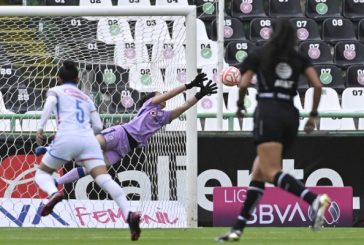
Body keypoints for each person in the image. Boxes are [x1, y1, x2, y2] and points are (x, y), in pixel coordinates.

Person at [217, 18, 330, 242]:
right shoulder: (299, 58)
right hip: (291, 115)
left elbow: (242, 83)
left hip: (268, 113)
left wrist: (239, 105)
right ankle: (237, 229)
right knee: (259, 172)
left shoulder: (260, 54)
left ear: (273, 33)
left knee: (269, 171)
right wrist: (313, 115)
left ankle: (314, 200)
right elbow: (317, 85)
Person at [35, 73, 217, 188]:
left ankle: (56, 182)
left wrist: (200, 95)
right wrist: (189, 85)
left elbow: (185, 105)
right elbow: (170, 94)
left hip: (124, 149)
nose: (163, 96)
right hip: (121, 133)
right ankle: (51, 150)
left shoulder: (164, 117)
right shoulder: (148, 105)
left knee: (92, 169)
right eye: (159, 93)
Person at [34, 61, 141, 241]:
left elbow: (50, 103)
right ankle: (129, 213)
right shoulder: (86, 97)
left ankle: (54, 193)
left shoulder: (56, 90)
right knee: (104, 179)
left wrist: (40, 128)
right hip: (88, 140)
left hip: (66, 136)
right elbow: (98, 126)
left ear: (59, 79)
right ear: (78, 79)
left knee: (42, 173)